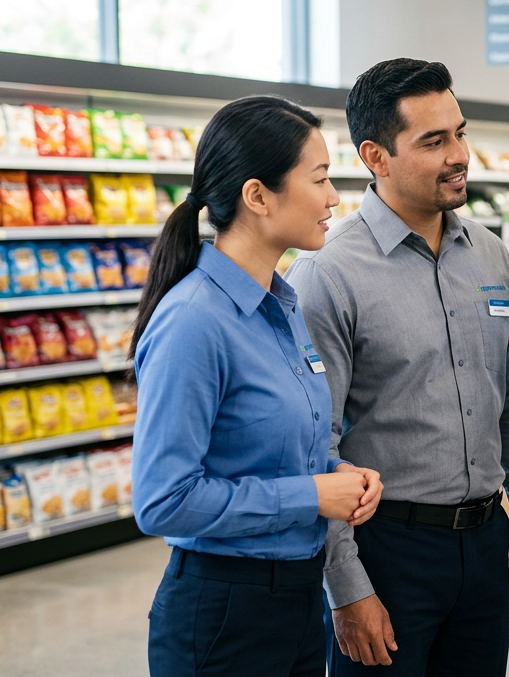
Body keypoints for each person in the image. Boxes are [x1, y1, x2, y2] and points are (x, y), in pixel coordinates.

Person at [285, 58, 509, 677]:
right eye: (433, 141)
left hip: (486, 540)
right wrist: (346, 587)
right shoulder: (328, 275)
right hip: (387, 549)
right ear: (375, 156)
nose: (459, 154)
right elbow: (313, 447)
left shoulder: (488, 254)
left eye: (459, 132)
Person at [132, 95, 384, 677]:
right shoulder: (195, 319)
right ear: (257, 196)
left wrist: (334, 476)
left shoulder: (282, 302)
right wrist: (312, 496)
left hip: (297, 598)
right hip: (223, 613)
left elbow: (276, 447)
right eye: (319, 179)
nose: (333, 198)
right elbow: (162, 500)